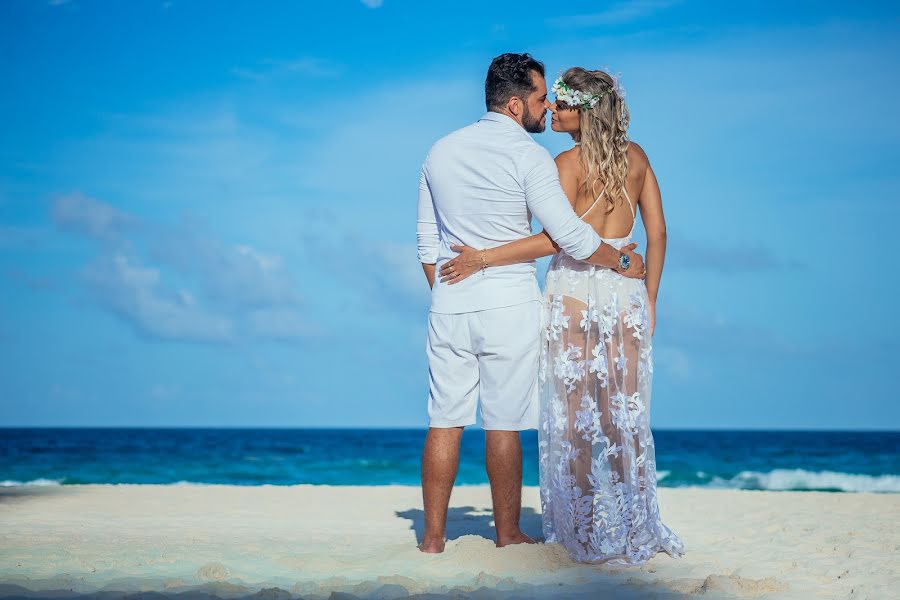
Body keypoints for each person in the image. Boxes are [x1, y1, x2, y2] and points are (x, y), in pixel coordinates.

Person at [439, 67, 684, 565]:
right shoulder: (636, 158)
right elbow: (657, 233)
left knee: (573, 419)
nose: (552, 108)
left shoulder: (566, 163)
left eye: (562, 103)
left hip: (575, 288)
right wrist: (651, 294)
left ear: (584, 113)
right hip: (626, 294)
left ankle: (582, 530)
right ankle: (635, 523)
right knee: (625, 416)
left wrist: (483, 256)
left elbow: (555, 240)